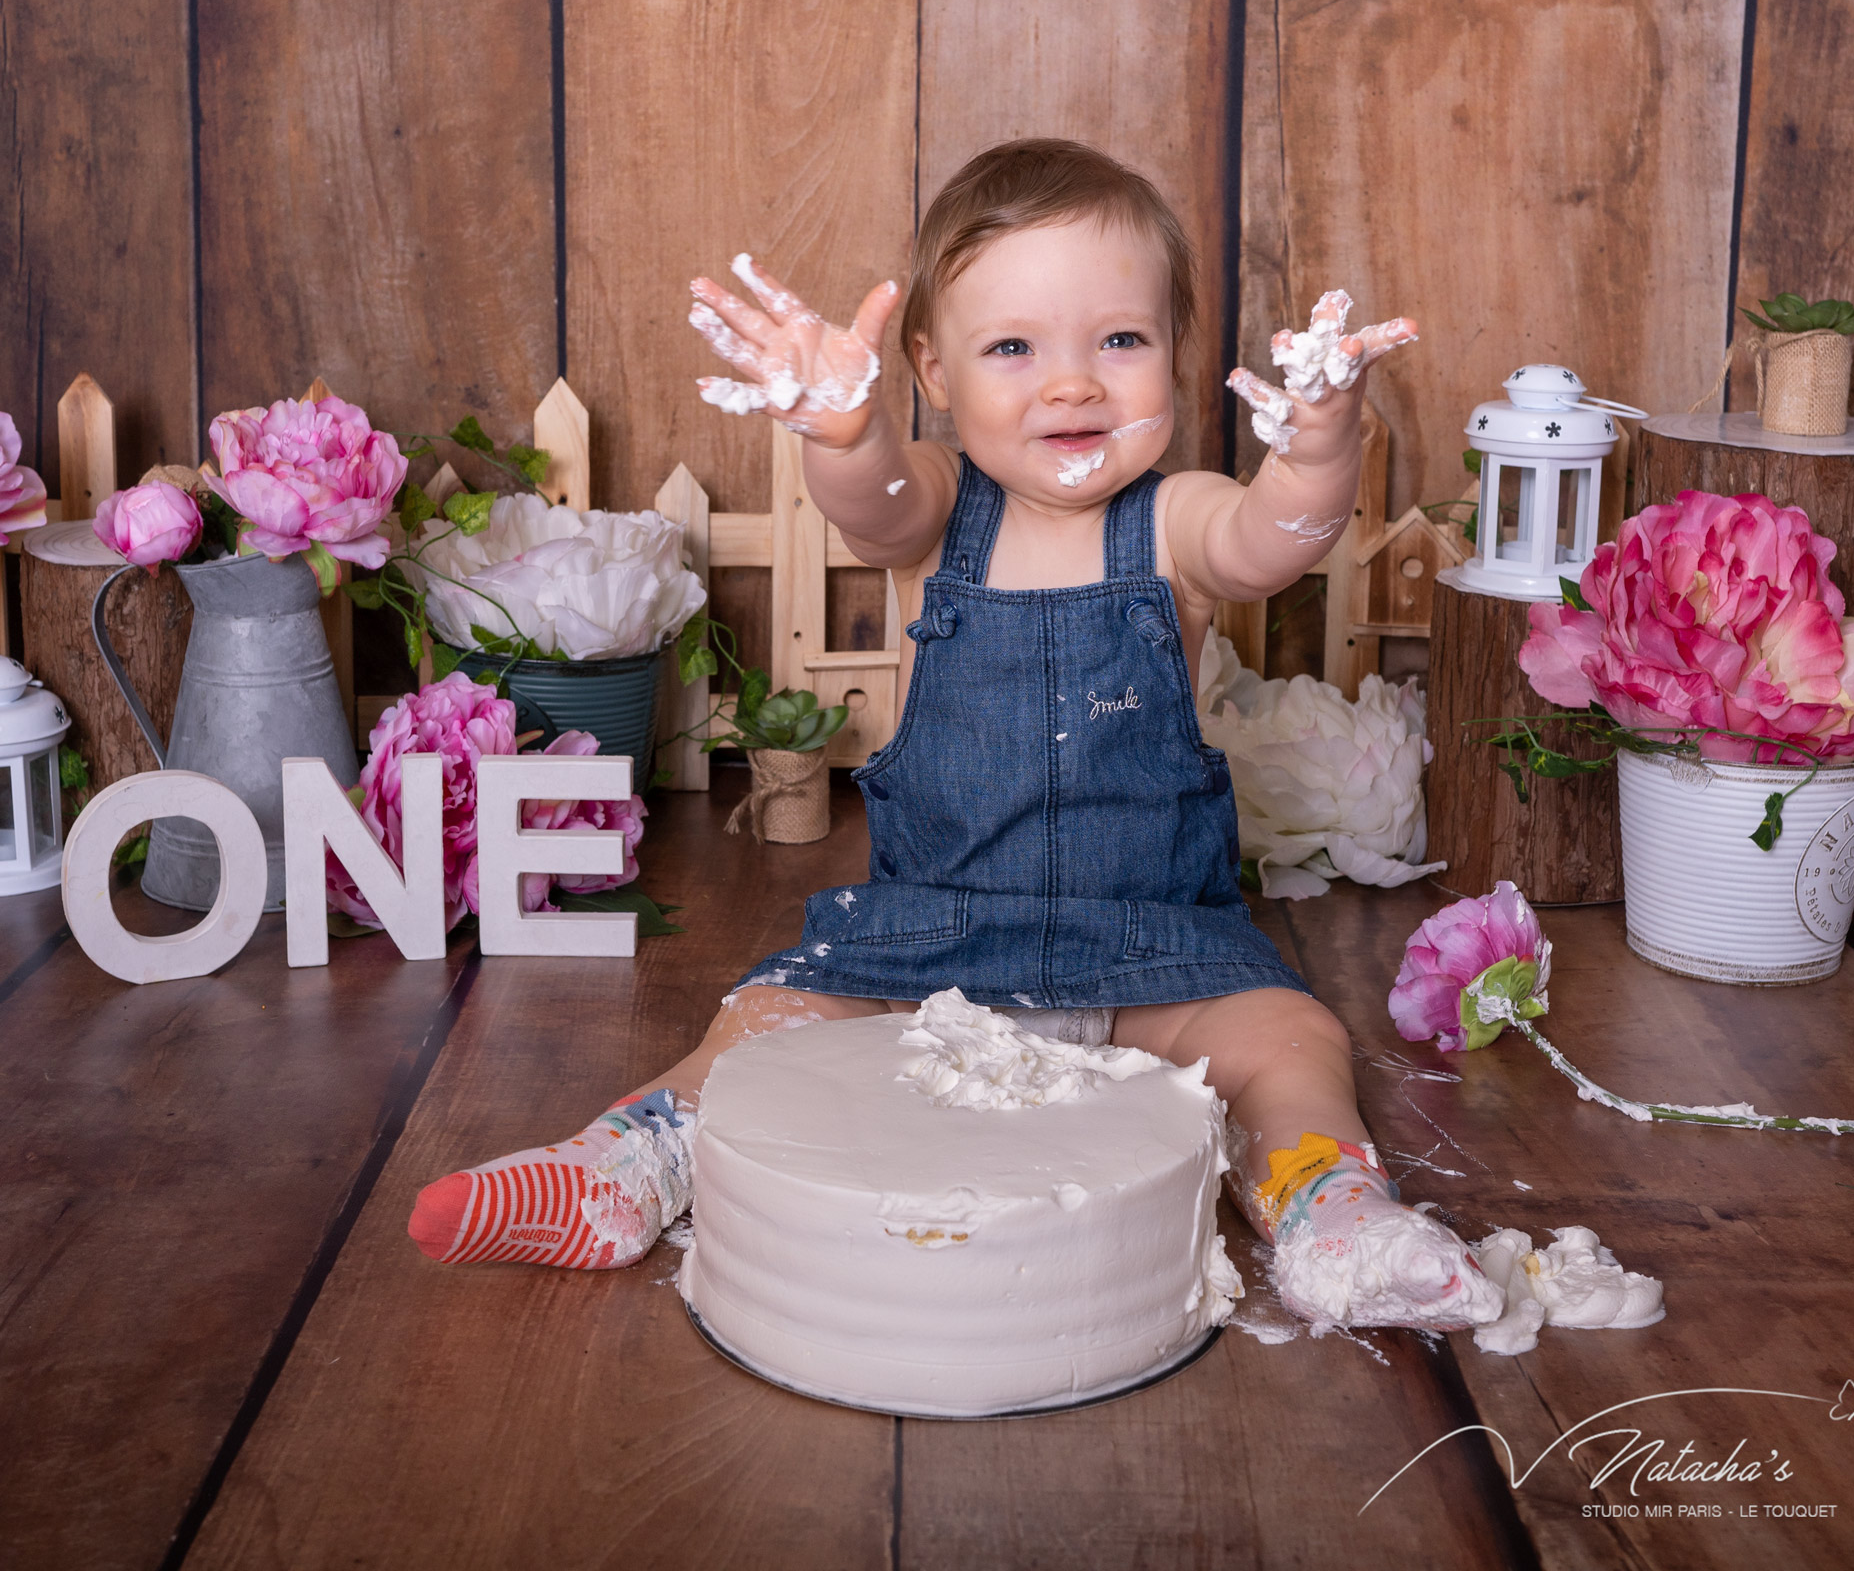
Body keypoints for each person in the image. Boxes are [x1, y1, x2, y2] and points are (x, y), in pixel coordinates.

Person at [409, 138, 1503, 1332]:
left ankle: (1325, 1210)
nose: (1073, 384)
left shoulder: (1178, 522)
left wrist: (1321, 443)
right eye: (1014, 348)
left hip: (1154, 947)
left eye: (1121, 342)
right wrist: (839, 430)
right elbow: (873, 504)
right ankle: (632, 1161)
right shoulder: (937, 509)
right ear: (933, 370)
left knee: (1292, 1036)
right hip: (927, 944)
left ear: (1180, 361)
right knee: (765, 1021)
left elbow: (1277, 539)